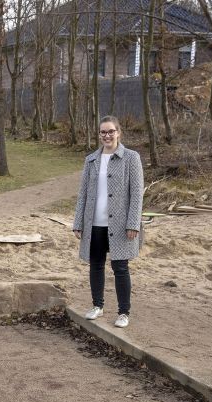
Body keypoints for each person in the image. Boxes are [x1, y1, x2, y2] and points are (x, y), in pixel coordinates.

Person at [72, 115, 144, 328]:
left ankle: (124, 312)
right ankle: (97, 305)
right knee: (95, 266)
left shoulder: (131, 158)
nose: (107, 135)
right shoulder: (91, 160)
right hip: (94, 223)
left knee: (120, 267)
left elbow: (137, 193)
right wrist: (78, 222)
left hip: (121, 224)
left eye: (111, 131)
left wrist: (133, 223)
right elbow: (83, 194)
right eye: (103, 132)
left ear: (118, 132)